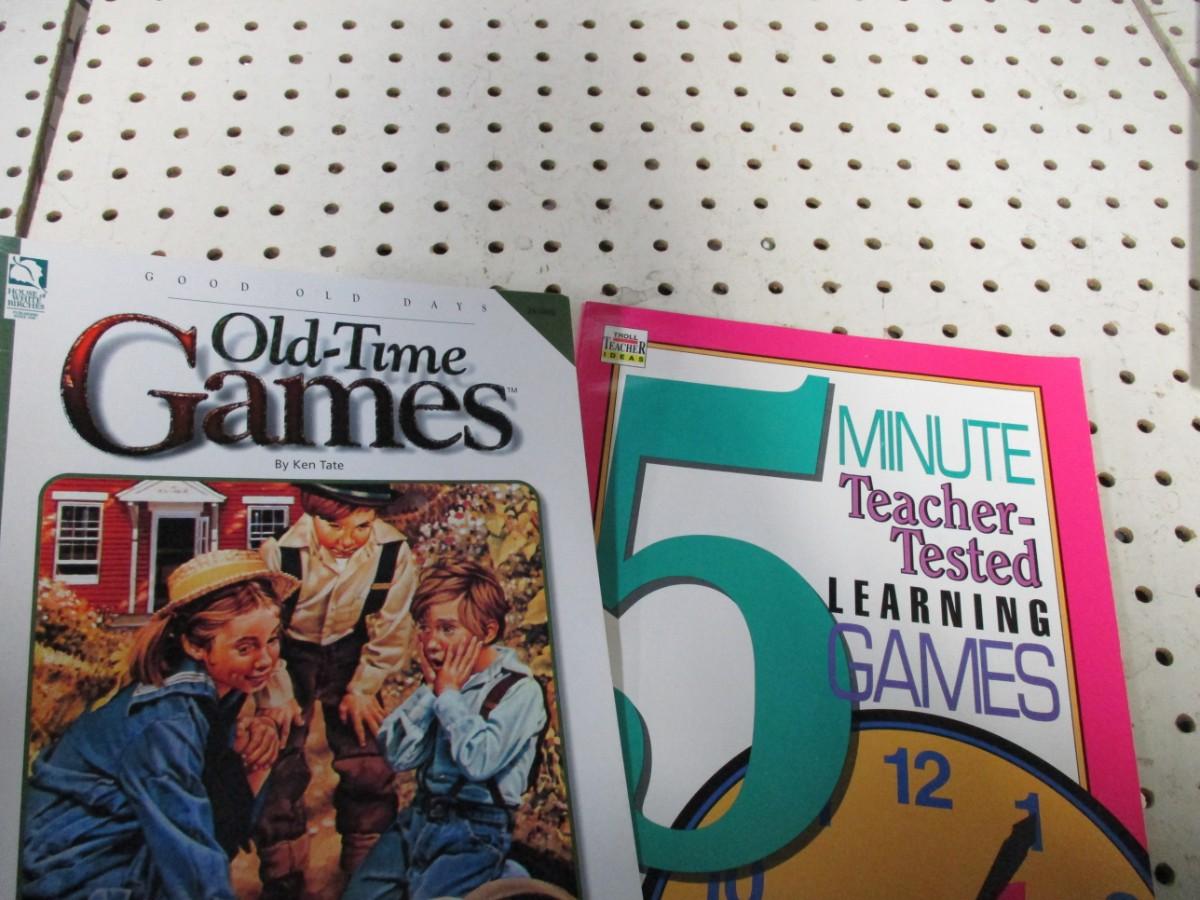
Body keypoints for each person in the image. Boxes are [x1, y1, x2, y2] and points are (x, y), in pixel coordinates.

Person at [20, 549, 299, 900]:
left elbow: (214, 817)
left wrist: (255, 756)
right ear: (195, 646)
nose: (265, 660)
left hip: (125, 835)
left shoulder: (216, 693)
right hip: (74, 859)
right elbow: (186, 841)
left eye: (272, 640)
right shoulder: (166, 722)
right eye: (245, 648)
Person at [344, 559, 548, 900]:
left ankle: (506, 876)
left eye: (447, 629)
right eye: (425, 628)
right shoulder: (441, 683)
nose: (431, 643)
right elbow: (397, 755)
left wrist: (449, 696)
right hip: (418, 819)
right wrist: (431, 692)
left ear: (487, 632)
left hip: (475, 830)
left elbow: (479, 762)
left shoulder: (519, 691)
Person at [255, 482, 419, 898]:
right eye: (334, 526)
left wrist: (363, 686)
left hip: (350, 649)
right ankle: (282, 867)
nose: (348, 540)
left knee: (367, 752)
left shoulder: (392, 552)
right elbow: (263, 629)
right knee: (280, 756)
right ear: (311, 514)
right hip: (287, 652)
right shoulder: (279, 553)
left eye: (362, 526)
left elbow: (393, 625)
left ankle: (367, 864)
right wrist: (276, 692)